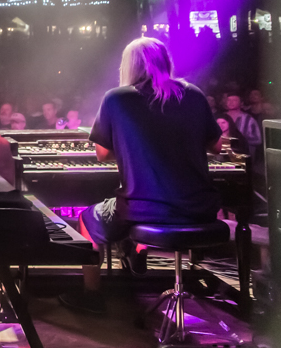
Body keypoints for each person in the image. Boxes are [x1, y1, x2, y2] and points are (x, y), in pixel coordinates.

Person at [59, 38, 224, 314]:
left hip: (145, 209)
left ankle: (92, 295)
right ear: (166, 62)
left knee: (88, 219)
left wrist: (135, 145)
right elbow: (216, 146)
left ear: (129, 66)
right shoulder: (193, 94)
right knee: (126, 206)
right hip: (198, 208)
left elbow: (102, 154)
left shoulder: (117, 98)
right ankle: (136, 249)